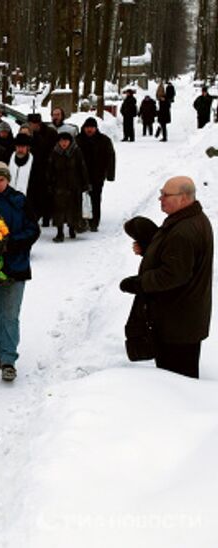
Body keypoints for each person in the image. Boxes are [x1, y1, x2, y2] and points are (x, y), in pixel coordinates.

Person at [119, 176, 213, 378]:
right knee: (177, 380)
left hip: (177, 324)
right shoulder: (189, 221)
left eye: (165, 195)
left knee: (177, 383)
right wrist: (150, 251)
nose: (160, 199)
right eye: (161, 194)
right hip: (181, 320)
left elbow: (173, 275)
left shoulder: (184, 230)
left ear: (184, 198)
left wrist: (138, 283)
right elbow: (182, 262)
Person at [0, 162, 40, 381]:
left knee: (11, 314)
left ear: (7, 180)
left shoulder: (20, 201)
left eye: (1, 180)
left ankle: (8, 360)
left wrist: (10, 243)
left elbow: (33, 230)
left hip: (16, 266)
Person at [47, 132, 89, 242]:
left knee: (73, 208)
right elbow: (50, 169)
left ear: (70, 141)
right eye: (61, 141)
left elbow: (82, 167)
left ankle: (72, 228)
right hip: (59, 186)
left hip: (74, 185)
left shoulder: (76, 151)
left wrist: (85, 183)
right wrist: (50, 183)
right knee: (58, 211)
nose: (63, 143)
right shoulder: (55, 152)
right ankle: (59, 232)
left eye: (66, 141)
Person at [75, 117, 115, 232]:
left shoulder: (104, 140)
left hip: (97, 175)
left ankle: (94, 222)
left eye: (92, 127)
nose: (89, 130)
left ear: (96, 128)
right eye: (87, 127)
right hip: (80, 175)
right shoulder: (78, 140)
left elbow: (110, 157)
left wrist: (110, 174)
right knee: (80, 199)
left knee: (95, 199)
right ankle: (81, 221)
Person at [27, 113, 58, 227]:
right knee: (37, 194)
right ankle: (39, 215)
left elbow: (51, 149)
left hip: (48, 167)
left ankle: (47, 216)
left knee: (47, 193)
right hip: (36, 168)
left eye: (31, 124)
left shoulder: (50, 133)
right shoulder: (33, 134)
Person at [8, 133, 38, 202]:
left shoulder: (34, 162)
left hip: (26, 201)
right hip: (8, 200)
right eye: (18, 147)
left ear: (27, 147)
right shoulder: (8, 158)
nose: (20, 150)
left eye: (23, 147)